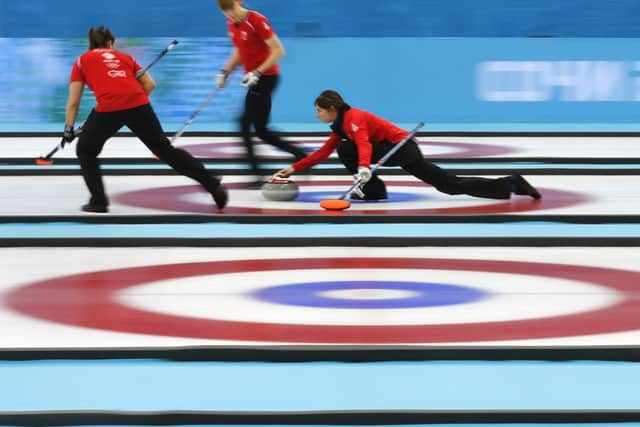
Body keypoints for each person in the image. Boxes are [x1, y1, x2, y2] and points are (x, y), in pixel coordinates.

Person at [63, 27, 227, 213]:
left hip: (109, 107)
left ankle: (99, 201)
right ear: (110, 43)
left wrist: (68, 130)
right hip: (139, 104)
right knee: (165, 150)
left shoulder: (81, 61)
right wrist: (134, 103)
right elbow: (150, 84)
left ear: (91, 45)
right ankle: (212, 183)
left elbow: (73, 103)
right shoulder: (125, 58)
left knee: (85, 150)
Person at [275, 90, 541, 201]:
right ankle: (510, 184)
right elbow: (322, 153)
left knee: (348, 149)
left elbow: (364, 145)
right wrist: (293, 168)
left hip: (401, 148)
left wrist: (364, 167)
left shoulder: (354, 118)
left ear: (331, 108)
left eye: (318, 111)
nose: (316, 115)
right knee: (447, 184)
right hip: (393, 150)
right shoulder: (338, 126)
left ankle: (371, 187)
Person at [215, 0, 306, 186]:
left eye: (231, 9)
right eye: (225, 12)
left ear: (238, 3)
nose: (230, 14)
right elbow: (240, 50)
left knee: (245, 125)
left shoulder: (256, 20)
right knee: (261, 130)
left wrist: (257, 72)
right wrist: (225, 71)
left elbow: (278, 51)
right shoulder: (232, 24)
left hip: (266, 78)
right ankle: (301, 156)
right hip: (254, 79)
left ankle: (257, 175)